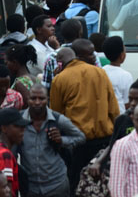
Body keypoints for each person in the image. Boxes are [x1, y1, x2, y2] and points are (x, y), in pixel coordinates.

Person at [49, 42, 120, 185]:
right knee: (101, 185)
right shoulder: (100, 73)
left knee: (77, 184)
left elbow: (56, 115)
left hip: (77, 144)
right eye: (90, 53)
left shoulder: (60, 79)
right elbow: (114, 110)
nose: (94, 56)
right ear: (78, 56)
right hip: (103, 141)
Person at [21, 83, 85, 197]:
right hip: (31, 188)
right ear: (27, 99)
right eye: (33, 98)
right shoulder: (19, 121)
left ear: (47, 100)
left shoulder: (58, 119)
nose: (37, 102)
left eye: (41, 98)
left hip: (56, 185)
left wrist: (62, 140)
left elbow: (80, 137)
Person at [102, 36, 133, 113]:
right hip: (120, 117)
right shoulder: (126, 75)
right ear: (122, 55)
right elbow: (127, 103)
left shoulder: (101, 71)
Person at [0, 108, 26, 196]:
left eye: (23, 127)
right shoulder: (5, 155)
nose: (22, 131)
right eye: (17, 126)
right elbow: (7, 192)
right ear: (4, 128)